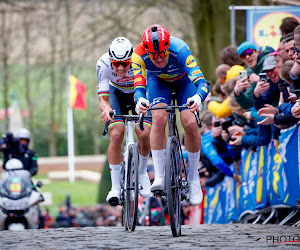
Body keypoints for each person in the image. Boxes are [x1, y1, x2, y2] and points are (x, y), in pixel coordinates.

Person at [133, 24, 209, 206]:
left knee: (190, 122)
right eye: (154, 55)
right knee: (158, 118)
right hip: (158, 83)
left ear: (168, 48)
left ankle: (193, 178)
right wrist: (140, 101)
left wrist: (198, 98)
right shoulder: (138, 55)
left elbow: (202, 82)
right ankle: (159, 176)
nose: (159, 59)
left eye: (162, 54)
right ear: (146, 52)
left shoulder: (180, 49)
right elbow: (138, 87)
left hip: (184, 83)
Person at [96, 37, 151, 205]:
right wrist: (106, 109)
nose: (120, 67)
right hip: (116, 94)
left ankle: (142, 173)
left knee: (143, 132)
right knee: (116, 134)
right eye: (116, 63)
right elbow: (103, 99)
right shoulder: (103, 64)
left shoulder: (141, 61)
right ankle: (115, 188)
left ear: (131, 59)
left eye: (125, 64)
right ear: (110, 60)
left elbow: (151, 87)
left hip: (139, 93)